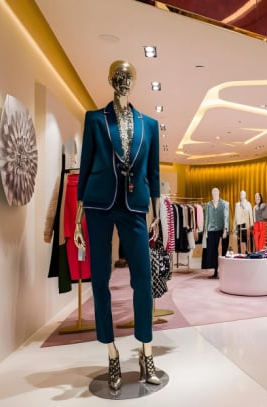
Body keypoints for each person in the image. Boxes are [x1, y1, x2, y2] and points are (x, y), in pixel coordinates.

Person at [73, 60, 161, 392]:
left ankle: (146, 352)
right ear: (110, 80)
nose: (123, 81)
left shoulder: (149, 125)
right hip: (98, 205)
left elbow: (153, 173)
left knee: (142, 280)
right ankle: (111, 354)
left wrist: (156, 214)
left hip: (135, 206)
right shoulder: (95, 119)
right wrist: (77, 217)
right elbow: (85, 167)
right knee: (100, 280)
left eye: (128, 76)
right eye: (118, 76)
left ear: (134, 81)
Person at [202, 187, 229, 279]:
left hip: (220, 229)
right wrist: (205, 231)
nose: (215, 194)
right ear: (211, 194)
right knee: (213, 251)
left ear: (219, 193)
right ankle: (215, 271)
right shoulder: (208, 205)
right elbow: (206, 218)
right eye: (213, 193)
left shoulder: (224, 204)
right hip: (211, 229)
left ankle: (224, 270)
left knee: (223, 250)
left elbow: (226, 217)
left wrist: (225, 229)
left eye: (216, 192)